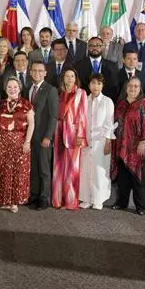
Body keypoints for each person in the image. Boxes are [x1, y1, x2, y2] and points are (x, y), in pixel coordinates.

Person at [111, 77, 145, 214]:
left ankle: (141, 206)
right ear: (126, 88)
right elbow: (115, 123)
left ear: (140, 88)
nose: (133, 88)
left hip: (140, 146)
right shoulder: (120, 104)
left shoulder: (144, 104)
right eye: (130, 86)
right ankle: (121, 202)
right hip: (123, 145)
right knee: (123, 177)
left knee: (139, 177)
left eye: (136, 86)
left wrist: (143, 142)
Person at [0, 77, 34, 213]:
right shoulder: (1, 104)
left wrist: (27, 141)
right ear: (5, 89)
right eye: (9, 87)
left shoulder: (26, 104)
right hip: (3, 143)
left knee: (18, 172)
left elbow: (32, 124)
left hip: (20, 143)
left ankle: (15, 202)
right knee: (3, 171)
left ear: (19, 88)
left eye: (15, 86)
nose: (12, 89)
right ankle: (5, 201)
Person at [52, 67, 88, 210]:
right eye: (67, 76)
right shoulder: (59, 93)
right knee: (58, 167)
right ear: (63, 78)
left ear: (76, 78)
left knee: (72, 169)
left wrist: (81, 135)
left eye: (72, 76)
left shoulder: (81, 93)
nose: (70, 78)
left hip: (73, 134)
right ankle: (58, 200)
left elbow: (83, 115)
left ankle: (71, 202)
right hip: (58, 132)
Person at [24, 61, 58, 209]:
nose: (37, 73)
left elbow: (53, 116)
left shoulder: (50, 90)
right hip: (29, 136)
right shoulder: (27, 89)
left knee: (44, 168)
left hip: (43, 136)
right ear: (30, 72)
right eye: (34, 70)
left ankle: (44, 198)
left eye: (40, 71)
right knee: (32, 167)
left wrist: (48, 136)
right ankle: (34, 195)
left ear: (45, 73)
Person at [79, 74, 115, 210]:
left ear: (102, 85)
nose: (96, 86)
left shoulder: (107, 101)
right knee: (86, 170)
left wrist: (108, 141)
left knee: (99, 171)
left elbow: (109, 123)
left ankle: (98, 199)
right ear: (89, 85)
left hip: (101, 142)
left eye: (99, 84)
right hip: (86, 141)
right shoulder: (85, 100)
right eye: (93, 83)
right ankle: (86, 198)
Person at [122, 22, 145, 88]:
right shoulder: (127, 46)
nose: (140, 32)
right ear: (134, 32)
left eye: (142, 30)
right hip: (130, 81)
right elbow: (124, 63)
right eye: (138, 30)